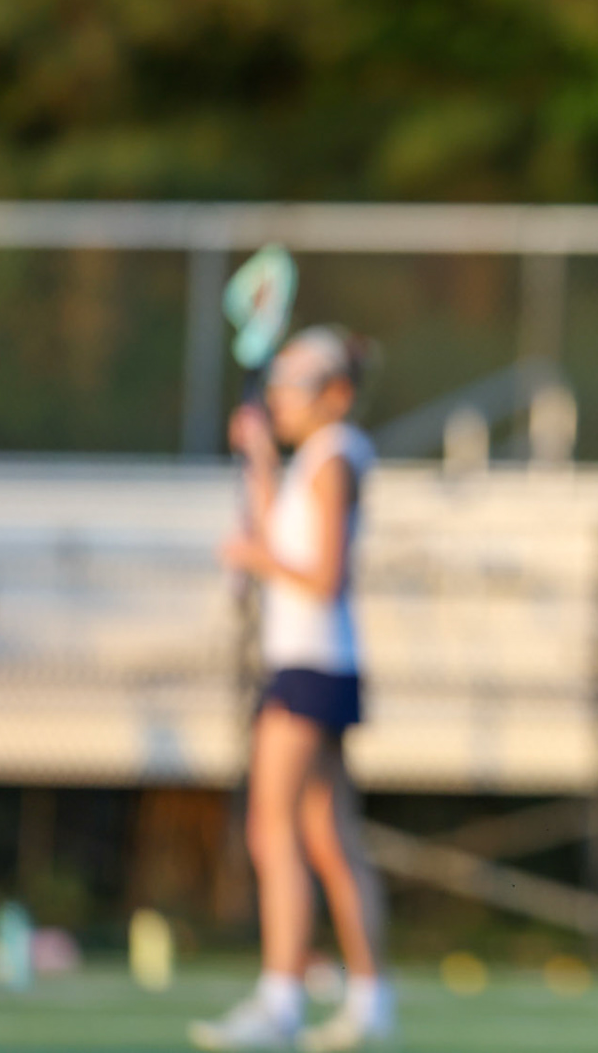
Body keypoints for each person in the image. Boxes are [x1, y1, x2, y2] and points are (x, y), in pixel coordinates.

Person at [191, 327, 394, 1052]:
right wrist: (255, 458)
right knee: (331, 840)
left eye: (291, 392)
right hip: (318, 664)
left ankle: (280, 999)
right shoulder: (315, 457)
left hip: (308, 666)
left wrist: (254, 557)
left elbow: (322, 574)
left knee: (271, 830)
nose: (279, 403)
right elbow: (282, 528)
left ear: (334, 395)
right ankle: (371, 1001)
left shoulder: (335, 458)